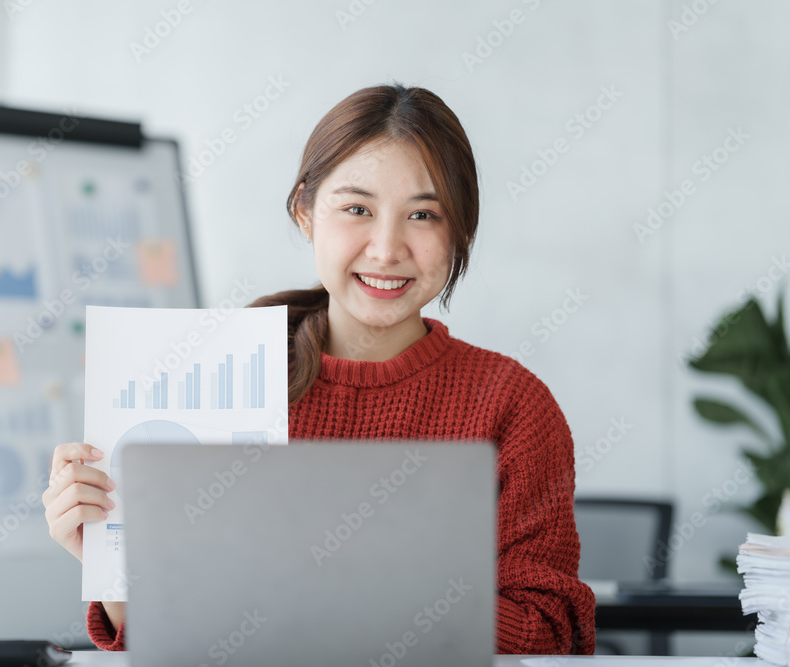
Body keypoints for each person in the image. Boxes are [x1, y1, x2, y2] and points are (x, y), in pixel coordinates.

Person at [42, 82, 596, 655]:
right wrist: (113, 560)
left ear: (460, 231)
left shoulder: (512, 406)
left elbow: (551, 634)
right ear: (305, 213)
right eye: (357, 209)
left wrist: (349, 591)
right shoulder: (214, 379)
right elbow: (188, 635)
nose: (386, 249)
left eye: (424, 215)